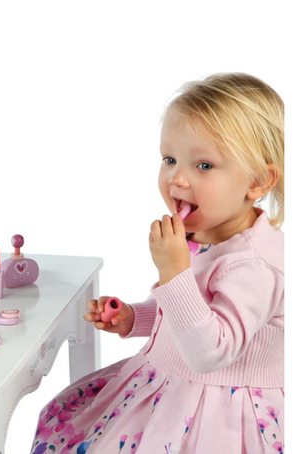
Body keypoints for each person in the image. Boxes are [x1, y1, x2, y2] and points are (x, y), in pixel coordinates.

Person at [30, 73, 284, 454]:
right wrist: (135, 317)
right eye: (169, 159)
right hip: (165, 386)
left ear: (258, 182)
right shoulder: (203, 233)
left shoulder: (257, 266)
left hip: (218, 416)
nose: (177, 178)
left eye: (204, 166)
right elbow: (187, 315)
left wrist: (174, 271)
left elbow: (208, 351)